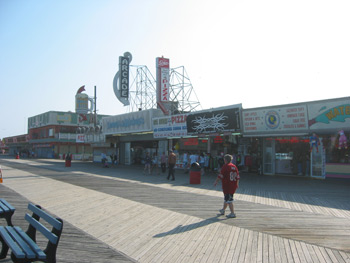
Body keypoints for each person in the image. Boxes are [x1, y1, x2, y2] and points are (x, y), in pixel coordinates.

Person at [214, 154, 240, 218]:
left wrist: (216, 181)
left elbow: (220, 175)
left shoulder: (225, 166)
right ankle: (223, 210)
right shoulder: (234, 166)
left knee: (229, 199)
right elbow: (238, 177)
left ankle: (232, 213)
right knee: (226, 198)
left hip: (227, 185)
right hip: (233, 185)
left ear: (225, 160)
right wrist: (237, 184)